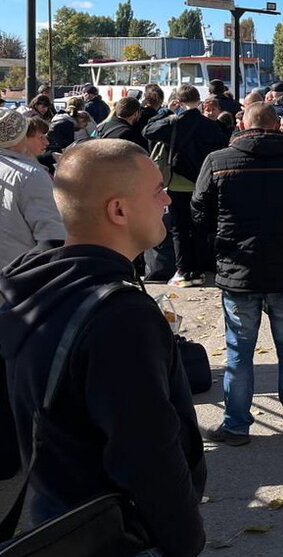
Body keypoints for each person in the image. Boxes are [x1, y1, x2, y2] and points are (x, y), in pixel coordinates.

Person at [0, 139, 206, 555]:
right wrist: (186, 540)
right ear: (118, 210)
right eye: (157, 190)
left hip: (56, 513)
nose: (167, 198)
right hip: (114, 529)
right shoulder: (119, 314)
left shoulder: (29, 278)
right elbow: (147, 452)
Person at [192, 103, 283, 446]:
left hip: (238, 267)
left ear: (242, 124)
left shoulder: (219, 161)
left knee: (238, 351)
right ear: (278, 125)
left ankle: (236, 424)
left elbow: (199, 210)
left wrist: (222, 237)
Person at [143, 85, 229, 288]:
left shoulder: (174, 123)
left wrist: (166, 111)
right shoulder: (210, 125)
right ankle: (198, 269)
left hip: (179, 183)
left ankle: (183, 270)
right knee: (199, 229)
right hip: (203, 182)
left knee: (179, 229)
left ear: (178, 102)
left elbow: (148, 130)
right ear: (199, 100)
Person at [0, 110, 64, 267]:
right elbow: (53, 237)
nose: (46, 142)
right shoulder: (30, 175)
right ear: (21, 138)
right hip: (20, 278)